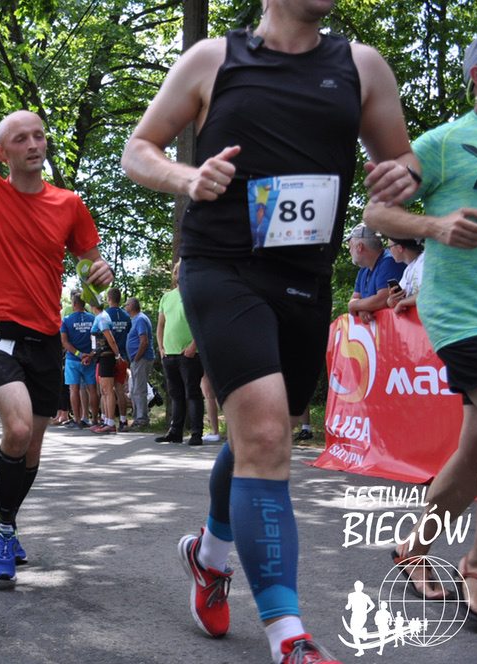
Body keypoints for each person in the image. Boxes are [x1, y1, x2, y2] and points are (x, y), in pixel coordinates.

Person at [121, 0, 418, 658]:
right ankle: (291, 639)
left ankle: (209, 556)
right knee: (262, 434)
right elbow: (137, 150)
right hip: (221, 266)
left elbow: (401, 159)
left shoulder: (362, 67)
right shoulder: (213, 59)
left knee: (265, 434)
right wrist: (187, 176)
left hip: (304, 280)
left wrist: (406, 173)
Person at [0, 109, 112, 582]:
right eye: (20, 139)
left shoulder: (69, 204)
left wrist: (102, 273)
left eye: (38, 136)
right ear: (5, 149)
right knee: (17, 428)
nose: (33, 145)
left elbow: (93, 273)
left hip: (45, 337)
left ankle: (5, 521)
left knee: (31, 447)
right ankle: (6, 532)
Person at [362, 33, 477, 616]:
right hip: (464, 312)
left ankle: (414, 548)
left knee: (475, 449)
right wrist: (435, 226)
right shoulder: (441, 144)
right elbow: (377, 212)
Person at [155, 262, 205, 446]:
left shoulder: (196, 295)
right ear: (175, 275)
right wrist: (161, 348)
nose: (180, 274)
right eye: (177, 271)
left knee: (192, 393)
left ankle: (196, 433)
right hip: (169, 354)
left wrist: (193, 346)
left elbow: (202, 324)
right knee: (175, 394)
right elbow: (160, 325)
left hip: (190, 354)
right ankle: (175, 432)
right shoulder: (167, 297)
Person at [346, 223, 406, 324]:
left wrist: (354, 306)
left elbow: (382, 299)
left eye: (350, 246)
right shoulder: (363, 270)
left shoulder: (389, 261)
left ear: (359, 247)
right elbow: (355, 298)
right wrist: (361, 309)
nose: (349, 250)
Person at [60, 292, 98, 429]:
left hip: (73, 359)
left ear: (74, 304)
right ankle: (94, 420)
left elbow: (64, 342)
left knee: (73, 389)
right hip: (90, 359)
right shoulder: (93, 318)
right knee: (92, 389)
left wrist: (79, 354)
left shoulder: (66, 320)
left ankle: (77, 420)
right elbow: (98, 340)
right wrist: (90, 355)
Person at [89, 299, 122, 434]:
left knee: (108, 390)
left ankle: (110, 423)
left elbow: (110, 339)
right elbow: (98, 342)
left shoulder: (102, 318)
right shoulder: (100, 317)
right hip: (101, 356)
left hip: (107, 357)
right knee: (104, 390)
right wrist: (90, 355)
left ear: (92, 306)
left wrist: (117, 355)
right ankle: (106, 421)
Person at [124, 297, 155, 428]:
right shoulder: (135, 319)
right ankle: (137, 417)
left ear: (132, 306)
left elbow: (144, 341)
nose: (125, 306)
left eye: (127, 304)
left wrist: (136, 357)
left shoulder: (140, 319)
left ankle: (142, 419)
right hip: (136, 360)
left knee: (139, 389)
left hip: (142, 359)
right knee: (135, 389)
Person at [105, 287, 132, 431]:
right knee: (120, 389)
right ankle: (123, 420)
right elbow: (129, 334)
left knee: (106, 390)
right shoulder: (126, 316)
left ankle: (106, 420)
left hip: (108, 356)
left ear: (109, 298)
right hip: (123, 356)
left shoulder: (105, 315)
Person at [384, 237, 424, 314]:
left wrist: (403, 302)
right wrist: (392, 300)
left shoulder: (425, 262)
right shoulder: (408, 269)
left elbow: (428, 294)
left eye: (389, 247)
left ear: (399, 248)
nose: (389, 251)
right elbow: (400, 299)